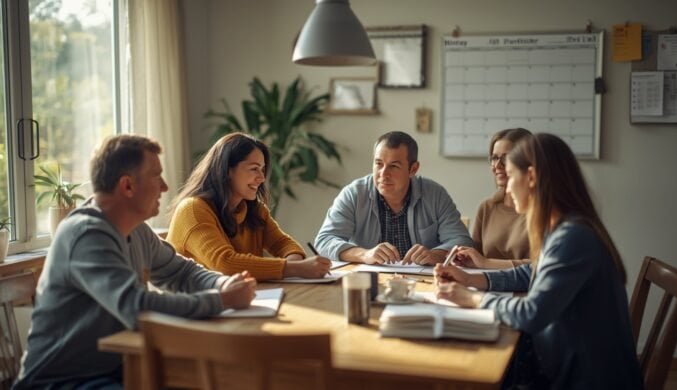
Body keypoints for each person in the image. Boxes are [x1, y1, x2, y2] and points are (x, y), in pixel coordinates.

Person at [15, 135, 257, 389]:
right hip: (60, 382)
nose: (164, 187)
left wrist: (222, 283)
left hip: (116, 368)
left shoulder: (136, 229)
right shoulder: (87, 234)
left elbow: (181, 271)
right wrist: (222, 300)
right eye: (156, 176)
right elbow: (137, 308)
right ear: (127, 186)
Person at [434, 133, 643, 389]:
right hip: (566, 364)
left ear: (531, 177)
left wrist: (472, 297)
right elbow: (531, 273)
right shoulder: (564, 227)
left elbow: (532, 313)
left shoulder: (573, 237)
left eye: (511, 176)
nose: (507, 187)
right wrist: (472, 279)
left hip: (584, 379)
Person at [167, 132, 331, 281]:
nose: (261, 178)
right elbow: (224, 264)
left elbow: (283, 244)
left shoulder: (254, 209)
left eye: (262, 170)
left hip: (237, 300)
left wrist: (295, 264)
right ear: (226, 170)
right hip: (192, 307)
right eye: (254, 169)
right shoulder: (193, 209)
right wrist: (295, 268)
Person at [315, 131, 473, 265]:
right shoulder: (354, 194)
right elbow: (324, 242)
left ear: (413, 169)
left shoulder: (435, 194)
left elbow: (462, 241)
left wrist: (435, 254)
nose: (383, 174)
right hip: (370, 281)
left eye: (394, 166)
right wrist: (365, 254)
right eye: (379, 164)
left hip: (423, 282)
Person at [454, 128, 532, 270]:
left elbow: (542, 265)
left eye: (506, 158)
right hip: (486, 285)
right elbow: (476, 258)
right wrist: (464, 257)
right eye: (494, 158)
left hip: (524, 290)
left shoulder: (543, 209)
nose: (497, 166)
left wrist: (486, 263)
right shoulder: (487, 207)